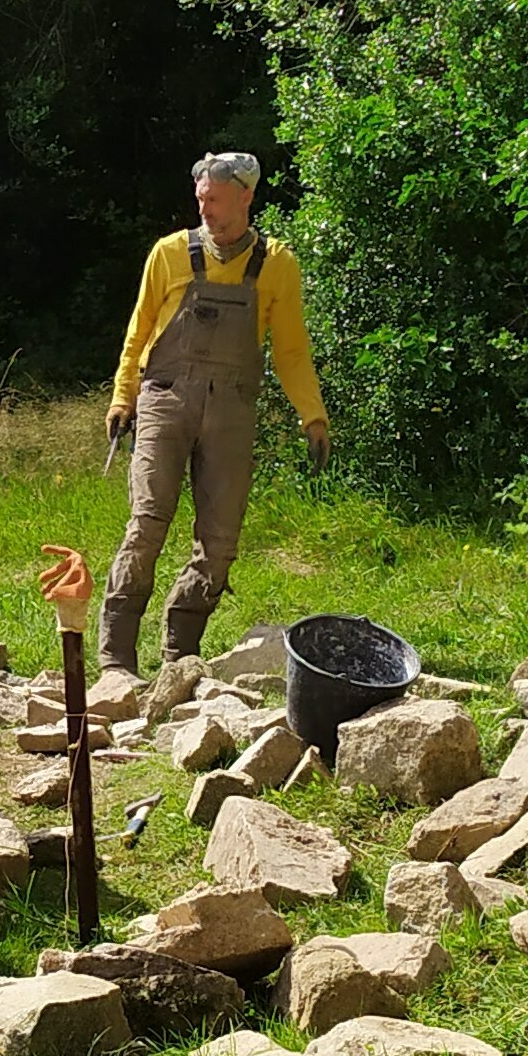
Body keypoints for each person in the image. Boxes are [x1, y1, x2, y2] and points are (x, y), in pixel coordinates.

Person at [99, 151, 328, 680]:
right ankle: (116, 658)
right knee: (147, 524)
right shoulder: (168, 253)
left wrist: (312, 416)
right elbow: (139, 330)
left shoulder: (278, 264)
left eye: (217, 200)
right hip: (164, 400)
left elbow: (291, 351)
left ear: (246, 197)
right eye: (201, 199)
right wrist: (121, 397)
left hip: (232, 409)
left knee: (221, 542)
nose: (206, 209)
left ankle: (180, 655)